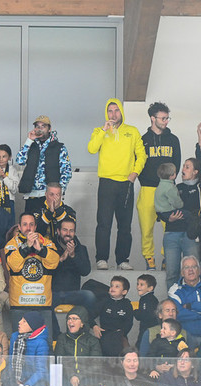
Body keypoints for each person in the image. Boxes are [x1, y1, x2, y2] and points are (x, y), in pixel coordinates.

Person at [87, 98, 147, 271]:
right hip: (106, 182)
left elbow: (141, 155)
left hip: (126, 183)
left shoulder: (132, 131)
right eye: (110, 111)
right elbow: (91, 149)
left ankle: (122, 260)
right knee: (104, 223)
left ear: (121, 111)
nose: (113, 114)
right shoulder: (99, 131)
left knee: (125, 225)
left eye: (116, 110)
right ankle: (102, 259)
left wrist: (134, 174)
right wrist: (104, 131)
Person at [138, 102, 182, 270]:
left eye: (167, 118)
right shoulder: (143, 140)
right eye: (163, 118)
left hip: (167, 187)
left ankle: (167, 258)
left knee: (169, 226)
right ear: (152, 118)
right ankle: (149, 259)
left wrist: (170, 183)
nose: (166, 121)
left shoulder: (173, 139)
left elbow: (176, 163)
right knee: (146, 227)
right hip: (148, 188)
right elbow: (138, 163)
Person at [4, 212, 59, 341]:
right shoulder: (11, 244)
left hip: (42, 303)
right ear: (19, 227)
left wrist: (41, 249)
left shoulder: (47, 243)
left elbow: (54, 262)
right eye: (24, 224)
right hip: (20, 304)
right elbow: (13, 265)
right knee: (19, 344)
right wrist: (26, 247)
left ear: (35, 227)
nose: (28, 228)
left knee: (45, 344)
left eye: (31, 224)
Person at [16, 115, 72, 214]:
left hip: (49, 196)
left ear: (49, 129)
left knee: (48, 228)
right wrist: (29, 140)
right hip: (31, 195)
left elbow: (66, 172)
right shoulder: (31, 145)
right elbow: (19, 160)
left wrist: (59, 193)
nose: (40, 129)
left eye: (43, 126)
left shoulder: (59, 147)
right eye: (37, 126)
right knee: (31, 228)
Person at [51, 217, 96, 337]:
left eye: (71, 231)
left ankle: (82, 334)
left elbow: (86, 271)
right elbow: (48, 271)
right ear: (58, 231)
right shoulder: (51, 247)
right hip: (53, 293)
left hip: (74, 293)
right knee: (42, 301)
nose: (68, 233)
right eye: (65, 230)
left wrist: (73, 256)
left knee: (89, 296)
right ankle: (57, 336)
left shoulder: (81, 249)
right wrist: (61, 259)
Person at [54, 306, 102, 386]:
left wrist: (79, 376)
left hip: (86, 377)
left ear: (82, 323)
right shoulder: (62, 338)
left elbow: (96, 364)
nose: (71, 321)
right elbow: (59, 359)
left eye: (75, 318)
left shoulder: (92, 340)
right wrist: (71, 376)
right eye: (69, 318)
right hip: (66, 376)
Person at [164, 157, 201, 288]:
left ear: (195, 171)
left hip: (190, 235)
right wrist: (168, 218)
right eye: (183, 166)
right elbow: (161, 208)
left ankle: (190, 303)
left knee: (192, 273)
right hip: (171, 233)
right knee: (171, 273)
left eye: (187, 167)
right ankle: (171, 306)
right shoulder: (175, 187)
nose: (183, 169)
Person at [169, 255, 201, 350]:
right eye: (186, 267)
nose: (190, 270)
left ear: (199, 271)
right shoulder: (174, 290)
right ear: (182, 272)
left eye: (194, 267)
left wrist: (190, 306)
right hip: (187, 338)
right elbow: (178, 313)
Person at [9, 312, 49, 386]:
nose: (19, 322)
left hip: (33, 378)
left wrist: (28, 384)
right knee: (7, 385)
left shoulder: (41, 342)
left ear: (32, 325)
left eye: (24, 321)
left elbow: (41, 370)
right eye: (21, 320)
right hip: (16, 375)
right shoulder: (15, 337)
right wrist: (14, 378)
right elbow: (10, 360)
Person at [90, 276, 134, 357]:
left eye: (117, 286)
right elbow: (89, 315)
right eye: (111, 285)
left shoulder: (127, 304)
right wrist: (94, 326)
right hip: (104, 335)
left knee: (124, 357)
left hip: (119, 337)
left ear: (124, 292)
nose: (112, 288)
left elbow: (129, 322)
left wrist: (122, 333)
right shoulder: (104, 301)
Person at [135, 273, 159, 348]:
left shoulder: (148, 299)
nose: (138, 287)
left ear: (150, 288)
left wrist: (135, 312)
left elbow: (146, 315)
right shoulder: (145, 298)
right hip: (146, 328)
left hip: (148, 329)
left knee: (141, 346)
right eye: (137, 284)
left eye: (141, 285)